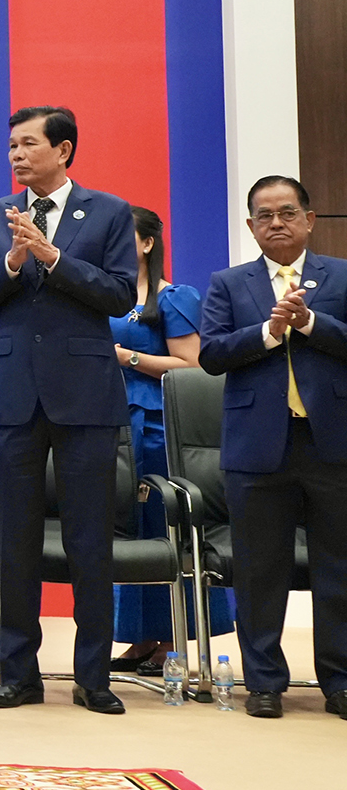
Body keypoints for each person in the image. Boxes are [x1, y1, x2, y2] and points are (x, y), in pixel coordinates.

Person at [0, 105, 137, 714]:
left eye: (28, 144)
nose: (16, 154)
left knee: (91, 541)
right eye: (12, 145)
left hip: (86, 396)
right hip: (13, 396)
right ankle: (17, 673)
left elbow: (120, 294)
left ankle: (94, 677)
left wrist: (54, 258)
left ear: (63, 150)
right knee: (14, 542)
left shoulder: (108, 212)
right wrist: (13, 262)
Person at [198, 175, 347, 720]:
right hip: (257, 447)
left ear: (309, 219)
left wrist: (309, 323)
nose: (276, 223)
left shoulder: (342, 276)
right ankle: (264, 682)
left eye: (287, 212)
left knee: (339, 569)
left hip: (332, 442)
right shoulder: (228, 283)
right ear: (250, 225)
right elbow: (211, 354)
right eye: (264, 215)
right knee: (260, 571)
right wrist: (267, 331)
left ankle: (340, 681)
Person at [108, 205, 226, 674]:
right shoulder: (106, 294)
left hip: (157, 425)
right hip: (115, 422)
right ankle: (140, 636)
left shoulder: (173, 298)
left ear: (147, 243)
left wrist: (127, 357)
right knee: (129, 528)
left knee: (162, 526)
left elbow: (193, 365)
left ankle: (173, 638)